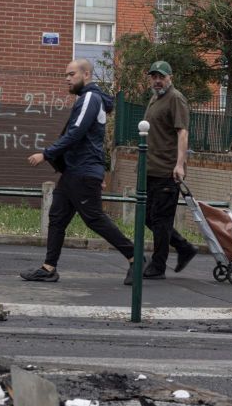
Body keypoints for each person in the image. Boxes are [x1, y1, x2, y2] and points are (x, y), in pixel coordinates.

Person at [20, 59, 137, 284]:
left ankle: (135, 257)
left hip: (82, 172)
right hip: (76, 171)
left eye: (71, 74)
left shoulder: (90, 98)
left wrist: (46, 153)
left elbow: (76, 132)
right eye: (66, 74)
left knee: (94, 219)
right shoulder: (87, 99)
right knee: (57, 217)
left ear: (86, 74)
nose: (67, 78)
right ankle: (48, 268)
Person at [142, 60, 197, 279]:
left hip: (167, 170)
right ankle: (184, 247)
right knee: (149, 218)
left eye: (161, 77)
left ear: (170, 77)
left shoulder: (175, 98)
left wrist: (179, 165)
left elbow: (182, 132)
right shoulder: (155, 98)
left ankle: (158, 267)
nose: (157, 80)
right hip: (152, 169)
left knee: (161, 220)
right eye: (154, 76)